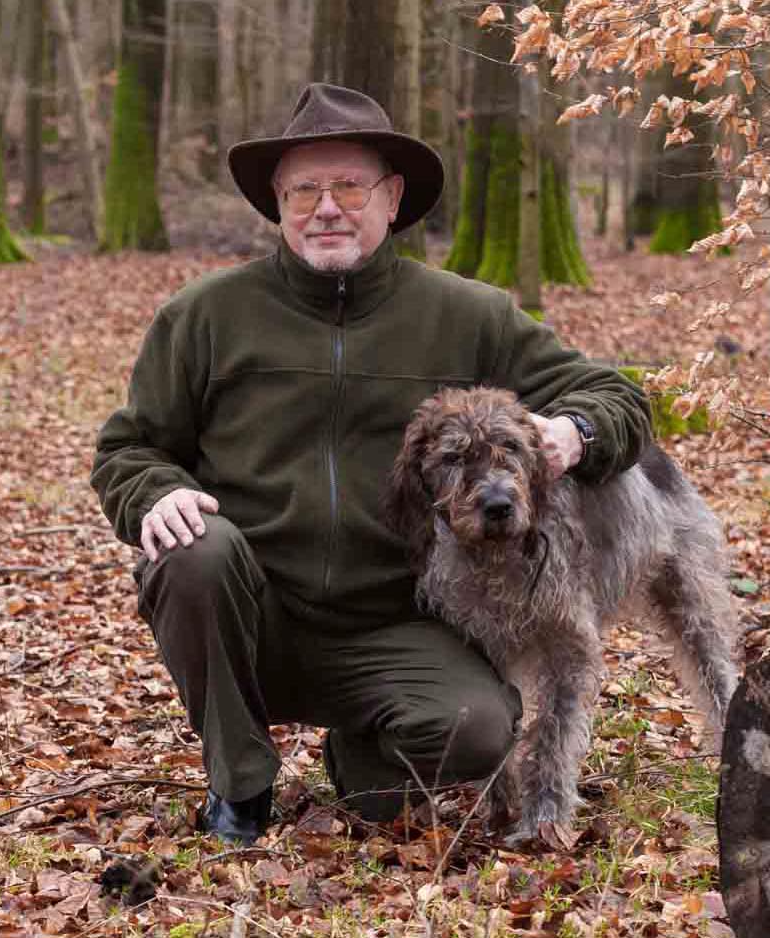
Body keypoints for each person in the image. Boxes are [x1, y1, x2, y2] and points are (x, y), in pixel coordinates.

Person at [89, 83, 651, 845]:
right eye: (304, 190)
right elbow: (128, 447)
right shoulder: (205, 316)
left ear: (392, 199)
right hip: (253, 615)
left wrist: (576, 430)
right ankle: (241, 783)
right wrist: (154, 493)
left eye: (349, 186)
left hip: (399, 622)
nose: (327, 207)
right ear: (278, 203)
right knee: (193, 550)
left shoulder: (468, 314)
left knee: (477, 729)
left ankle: (364, 754)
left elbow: (613, 393)